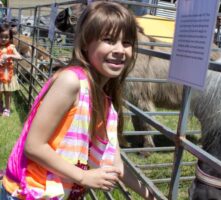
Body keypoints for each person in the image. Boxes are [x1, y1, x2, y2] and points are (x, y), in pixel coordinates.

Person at [1, 2, 156, 200]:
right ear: (85, 43)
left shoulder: (104, 98)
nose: (120, 50)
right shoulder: (71, 81)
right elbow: (34, 146)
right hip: (29, 192)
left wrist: (150, 196)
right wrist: (83, 176)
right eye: (108, 40)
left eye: (126, 43)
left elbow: (116, 164)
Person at [0, 23, 22, 117]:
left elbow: (19, 57)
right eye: (1, 37)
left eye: (6, 37)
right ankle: (0, 106)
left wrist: (10, 55)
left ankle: (7, 109)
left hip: (8, 74)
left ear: (10, 37)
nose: (4, 39)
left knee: (8, 93)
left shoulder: (11, 47)